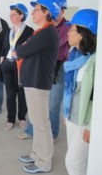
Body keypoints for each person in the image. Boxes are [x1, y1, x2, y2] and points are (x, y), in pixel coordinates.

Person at [13, 0, 60, 173]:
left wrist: (22, 49)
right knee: (37, 121)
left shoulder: (47, 33)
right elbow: (24, 49)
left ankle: (43, 162)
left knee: (41, 124)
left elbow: (22, 50)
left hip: (37, 83)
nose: (32, 12)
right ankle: (36, 154)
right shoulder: (41, 32)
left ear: (46, 12)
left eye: (36, 9)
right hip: (33, 81)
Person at [20, 0, 70, 140]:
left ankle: (52, 134)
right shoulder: (44, 30)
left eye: (36, 9)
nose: (33, 13)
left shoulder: (62, 28)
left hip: (57, 68)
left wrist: (29, 46)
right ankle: (31, 131)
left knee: (53, 103)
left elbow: (32, 47)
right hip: (42, 67)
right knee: (37, 108)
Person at [63, 9, 97, 175]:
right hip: (72, 117)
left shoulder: (95, 61)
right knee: (78, 161)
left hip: (85, 121)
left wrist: (92, 127)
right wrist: (65, 114)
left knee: (73, 162)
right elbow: (69, 89)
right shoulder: (74, 54)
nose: (68, 32)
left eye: (72, 29)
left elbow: (97, 99)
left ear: (83, 34)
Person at [0, 3, 34, 130]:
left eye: (14, 15)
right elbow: (5, 47)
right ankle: (10, 119)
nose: (11, 17)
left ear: (21, 16)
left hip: (21, 66)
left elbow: (31, 49)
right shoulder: (9, 31)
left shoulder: (29, 31)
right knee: (9, 94)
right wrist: (2, 61)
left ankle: (22, 118)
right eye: (10, 15)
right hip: (7, 64)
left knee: (21, 93)